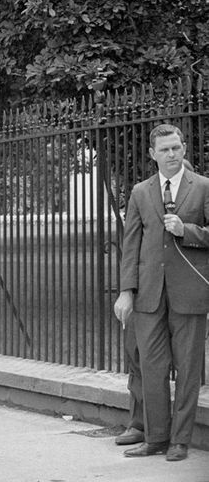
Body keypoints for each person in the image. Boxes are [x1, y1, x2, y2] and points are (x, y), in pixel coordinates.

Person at [114, 124, 209, 462]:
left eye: (176, 148)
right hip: (149, 297)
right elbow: (131, 246)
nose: (172, 155)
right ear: (152, 154)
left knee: (187, 369)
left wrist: (189, 231)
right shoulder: (141, 191)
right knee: (151, 367)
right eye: (165, 150)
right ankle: (155, 438)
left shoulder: (203, 188)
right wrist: (126, 291)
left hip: (190, 293)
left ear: (184, 149)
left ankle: (179, 441)